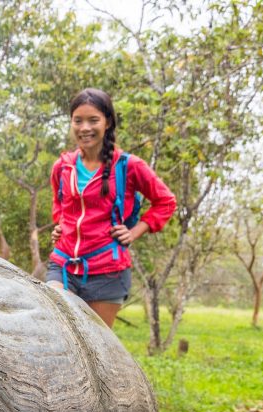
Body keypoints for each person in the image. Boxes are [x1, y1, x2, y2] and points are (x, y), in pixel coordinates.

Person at [48, 88, 176, 328]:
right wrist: (61, 225)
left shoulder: (130, 166)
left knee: (97, 348)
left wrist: (134, 232)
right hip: (64, 265)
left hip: (107, 270)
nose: (85, 128)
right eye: (78, 121)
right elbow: (60, 203)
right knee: (55, 331)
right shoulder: (62, 167)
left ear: (107, 122)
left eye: (93, 120)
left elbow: (166, 201)